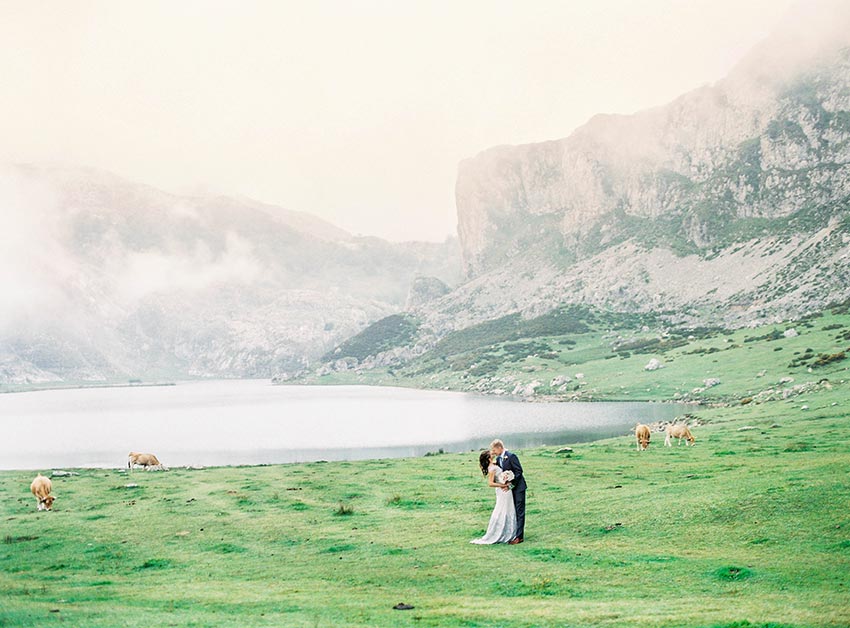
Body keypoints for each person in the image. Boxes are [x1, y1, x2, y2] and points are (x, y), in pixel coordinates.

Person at [470, 450, 517, 544]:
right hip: (503, 491)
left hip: (506, 490)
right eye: (491, 454)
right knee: (503, 509)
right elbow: (490, 483)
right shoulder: (492, 469)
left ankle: (510, 531)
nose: (493, 454)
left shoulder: (495, 464)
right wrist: (503, 485)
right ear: (489, 458)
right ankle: (503, 532)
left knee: (509, 508)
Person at [491, 439, 526, 544]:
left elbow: (519, 471)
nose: (493, 452)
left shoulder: (511, 456)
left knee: (519, 511)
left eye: (494, 450)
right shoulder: (498, 459)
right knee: (512, 511)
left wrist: (510, 485)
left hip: (518, 488)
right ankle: (511, 532)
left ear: (500, 448)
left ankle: (519, 537)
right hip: (507, 492)